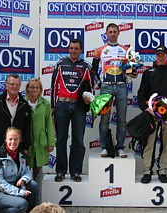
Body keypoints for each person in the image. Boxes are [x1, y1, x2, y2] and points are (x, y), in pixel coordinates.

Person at [137, 45, 167, 184]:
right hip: (151, 114)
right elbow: (141, 93)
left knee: (166, 143)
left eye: (162, 54)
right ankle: (147, 171)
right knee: (149, 143)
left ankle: (163, 170)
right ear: (155, 56)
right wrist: (146, 108)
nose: (160, 57)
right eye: (158, 55)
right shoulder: (148, 73)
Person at [51, 39, 93, 182]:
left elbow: (91, 87)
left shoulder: (86, 66)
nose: (73, 50)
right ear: (68, 49)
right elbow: (53, 86)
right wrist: (52, 106)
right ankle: (61, 171)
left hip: (78, 106)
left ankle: (76, 171)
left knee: (78, 140)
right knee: (61, 139)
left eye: (76, 48)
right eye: (71, 48)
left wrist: (90, 101)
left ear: (81, 50)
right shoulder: (60, 64)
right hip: (62, 104)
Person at [92, 23, 136, 158]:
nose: (112, 34)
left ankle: (120, 147)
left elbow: (132, 70)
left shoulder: (126, 50)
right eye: (110, 32)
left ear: (118, 33)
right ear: (106, 34)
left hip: (122, 86)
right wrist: (98, 82)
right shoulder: (99, 50)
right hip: (106, 86)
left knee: (121, 120)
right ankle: (104, 147)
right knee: (105, 119)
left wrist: (131, 75)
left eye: (114, 31)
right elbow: (93, 70)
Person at [0, 127, 39, 212]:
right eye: (10, 139)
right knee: (23, 203)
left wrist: (24, 179)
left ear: (19, 140)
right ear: (6, 140)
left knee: (33, 185)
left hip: (14, 187)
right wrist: (20, 192)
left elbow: (29, 171)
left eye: (15, 139)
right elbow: (0, 184)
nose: (13, 142)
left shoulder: (22, 155)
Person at [0, 74, 31, 155]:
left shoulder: (24, 105)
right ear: (6, 85)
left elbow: (27, 127)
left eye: (17, 84)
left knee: (16, 168)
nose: (14, 86)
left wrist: (25, 147)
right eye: (12, 84)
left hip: (17, 149)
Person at [25, 78, 55, 198]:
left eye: (37, 87)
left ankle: (37, 200)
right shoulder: (23, 103)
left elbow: (49, 123)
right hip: (27, 143)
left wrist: (51, 142)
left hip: (40, 142)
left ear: (41, 90)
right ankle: (27, 200)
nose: (34, 89)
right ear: (27, 89)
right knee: (26, 173)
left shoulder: (45, 103)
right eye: (32, 87)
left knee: (38, 172)